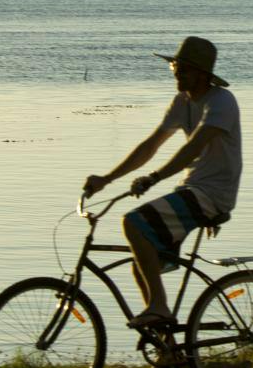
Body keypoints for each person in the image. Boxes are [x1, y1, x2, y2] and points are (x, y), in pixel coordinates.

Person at [82, 35, 242, 329]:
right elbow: (151, 145)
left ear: (203, 75)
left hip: (212, 194)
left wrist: (155, 178)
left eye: (184, 70)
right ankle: (167, 344)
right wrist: (107, 178)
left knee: (133, 222)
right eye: (175, 68)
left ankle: (159, 307)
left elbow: (194, 146)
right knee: (143, 265)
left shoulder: (222, 101)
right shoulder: (182, 101)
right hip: (192, 190)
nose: (177, 74)